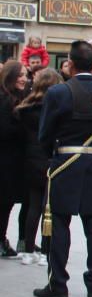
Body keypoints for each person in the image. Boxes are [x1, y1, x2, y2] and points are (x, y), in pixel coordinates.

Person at [32, 40, 92, 297]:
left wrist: (52, 157)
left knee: (59, 225)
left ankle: (57, 284)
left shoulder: (59, 92)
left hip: (64, 165)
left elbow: (45, 134)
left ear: (70, 63)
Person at [14, 68, 62, 266]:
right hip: (49, 158)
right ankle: (45, 250)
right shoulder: (54, 108)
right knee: (48, 208)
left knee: (32, 206)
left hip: (29, 159)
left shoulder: (25, 108)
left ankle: (27, 249)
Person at [0, 60, 28, 258]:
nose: (24, 79)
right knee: (4, 202)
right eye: (20, 75)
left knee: (7, 203)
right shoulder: (4, 99)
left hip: (14, 159)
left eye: (25, 75)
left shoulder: (18, 97)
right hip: (5, 159)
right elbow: (5, 130)